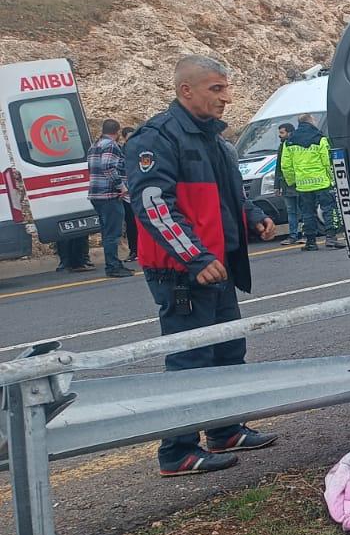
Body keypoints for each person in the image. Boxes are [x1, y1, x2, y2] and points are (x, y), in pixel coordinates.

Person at [125, 54, 279, 475]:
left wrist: (254, 217)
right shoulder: (156, 138)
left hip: (218, 266)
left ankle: (225, 429)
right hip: (182, 271)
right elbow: (154, 206)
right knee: (189, 360)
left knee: (229, 350)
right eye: (217, 89)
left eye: (226, 88)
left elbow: (234, 195)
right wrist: (194, 256)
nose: (226, 97)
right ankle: (176, 452)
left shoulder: (215, 140)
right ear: (185, 90)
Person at [279, 114, 339, 250]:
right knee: (329, 209)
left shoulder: (289, 141)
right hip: (322, 182)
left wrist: (292, 181)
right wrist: (331, 179)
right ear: (311, 121)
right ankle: (331, 238)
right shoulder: (320, 138)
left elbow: (285, 166)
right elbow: (327, 161)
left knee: (307, 213)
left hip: (303, 184)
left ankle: (311, 242)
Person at [87, 117, 134, 278]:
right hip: (109, 194)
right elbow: (108, 166)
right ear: (117, 132)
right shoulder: (111, 146)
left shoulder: (94, 146)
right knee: (113, 233)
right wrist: (121, 187)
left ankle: (113, 263)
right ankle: (113, 266)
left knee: (107, 231)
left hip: (96, 193)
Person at [273, 123, 300, 242]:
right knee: (291, 211)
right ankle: (294, 235)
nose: (280, 136)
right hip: (286, 184)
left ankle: (306, 235)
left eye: (282, 133)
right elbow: (279, 166)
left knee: (303, 210)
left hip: (299, 183)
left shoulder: (297, 144)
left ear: (289, 132)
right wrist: (277, 186)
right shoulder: (282, 146)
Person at [116, 125, 138, 259]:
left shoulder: (140, 149)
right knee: (131, 224)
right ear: (124, 139)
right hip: (127, 195)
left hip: (138, 192)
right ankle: (134, 250)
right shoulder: (121, 152)